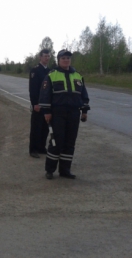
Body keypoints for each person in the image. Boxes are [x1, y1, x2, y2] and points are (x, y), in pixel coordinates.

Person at [39, 49, 90, 179]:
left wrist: (84, 111)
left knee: (70, 142)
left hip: (73, 113)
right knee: (56, 141)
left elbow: (83, 96)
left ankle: (65, 170)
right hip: (58, 114)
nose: (66, 60)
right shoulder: (51, 75)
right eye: (63, 58)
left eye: (68, 58)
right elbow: (45, 96)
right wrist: (47, 112)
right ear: (58, 60)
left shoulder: (77, 75)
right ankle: (50, 170)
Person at [28, 49, 51, 158]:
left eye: (48, 56)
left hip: (48, 104)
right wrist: (35, 104)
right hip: (38, 104)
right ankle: (33, 149)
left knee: (45, 128)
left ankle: (42, 147)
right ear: (40, 57)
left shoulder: (50, 71)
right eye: (45, 56)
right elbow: (33, 89)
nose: (47, 58)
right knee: (36, 128)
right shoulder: (35, 71)